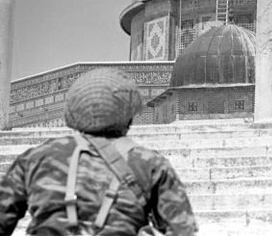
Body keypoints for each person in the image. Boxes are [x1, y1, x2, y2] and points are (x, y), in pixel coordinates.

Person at [0, 68, 198, 235]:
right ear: (129, 114)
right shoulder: (150, 163)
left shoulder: (36, 158)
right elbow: (182, 230)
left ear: (73, 112)